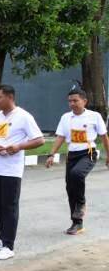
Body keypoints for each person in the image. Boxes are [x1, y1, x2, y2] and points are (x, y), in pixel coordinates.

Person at [0, 84, 44, 260]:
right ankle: (2, 239)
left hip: (11, 169)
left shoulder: (23, 117)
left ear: (10, 97)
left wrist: (18, 146)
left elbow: (39, 140)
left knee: (9, 206)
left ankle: (9, 245)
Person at [46, 88, 109, 235]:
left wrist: (108, 155)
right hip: (72, 155)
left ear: (84, 101)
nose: (72, 104)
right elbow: (60, 137)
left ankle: (81, 205)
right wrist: (51, 154)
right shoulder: (65, 117)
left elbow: (104, 137)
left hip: (88, 153)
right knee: (70, 188)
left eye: (75, 100)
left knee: (77, 174)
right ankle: (77, 223)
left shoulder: (94, 116)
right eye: (69, 101)